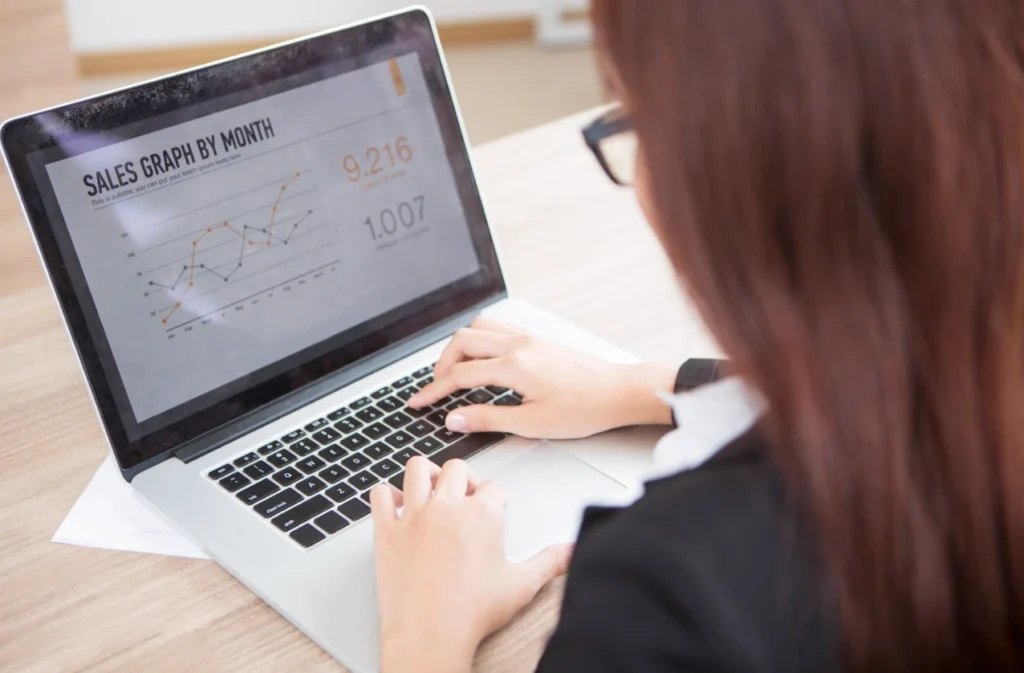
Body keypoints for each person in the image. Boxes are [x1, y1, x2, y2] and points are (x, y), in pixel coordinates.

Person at [369, 1, 1024, 671]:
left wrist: (423, 633)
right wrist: (644, 386)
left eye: (630, 115)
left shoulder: (661, 600)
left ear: (717, 178)